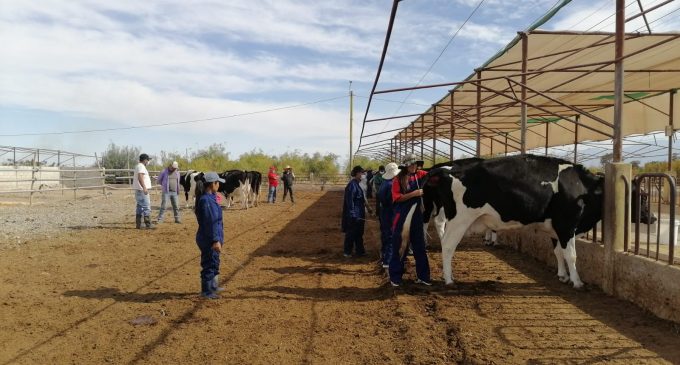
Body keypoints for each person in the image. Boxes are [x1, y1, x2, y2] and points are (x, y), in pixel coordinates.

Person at [388, 154, 431, 287]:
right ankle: (395, 278)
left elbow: (433, 175)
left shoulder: (422, 174)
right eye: (411, 164)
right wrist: (414, 194)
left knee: (420, 248)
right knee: (400, 248)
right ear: (405, 165)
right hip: (402, 217)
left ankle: (424, 277)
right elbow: (397, 198)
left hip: (417, 218)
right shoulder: (398, 179)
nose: (413, 166)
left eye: (415, 164)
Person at [194, 172, 225, 299]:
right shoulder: (207, 201)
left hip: (210, 237)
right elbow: (211, 222)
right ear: (212, 184)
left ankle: (213, 286)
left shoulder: (210, 198)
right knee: (209, 263)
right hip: (209, 238)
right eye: (217, 183)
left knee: (214, 261)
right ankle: (206, 291)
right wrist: (215, 240)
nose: (219, 185)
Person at [341, 166, 367, 258]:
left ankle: (360, 251)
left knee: (359, 233)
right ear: (356, 173)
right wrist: (352, 214)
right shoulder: (352, 185)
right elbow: (350, 201)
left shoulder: (357, 184)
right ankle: (347, 252)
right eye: (361, 173)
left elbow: (361, 199)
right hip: (354, 214)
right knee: (351, 233)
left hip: (359, 213)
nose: (363, 175)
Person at [377, 162, 398, 268]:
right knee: (390, 236)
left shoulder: (384, 183)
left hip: (384, 213)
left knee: (385, 235)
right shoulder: (391, 185)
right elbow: (392, 201)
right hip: (390, 213)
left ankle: (384, 256)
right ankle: (388, 261)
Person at [133, 153, 154, 229]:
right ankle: (148, 224)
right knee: (146, 206)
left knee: (139, 206)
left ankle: (138, 224)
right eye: (148, 160)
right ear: (145, 160)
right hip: (142, 190)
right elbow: (140, 177)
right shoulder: (141, 167)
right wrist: (144, 187)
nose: (148, 162)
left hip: (139, 190)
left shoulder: (138, 166)